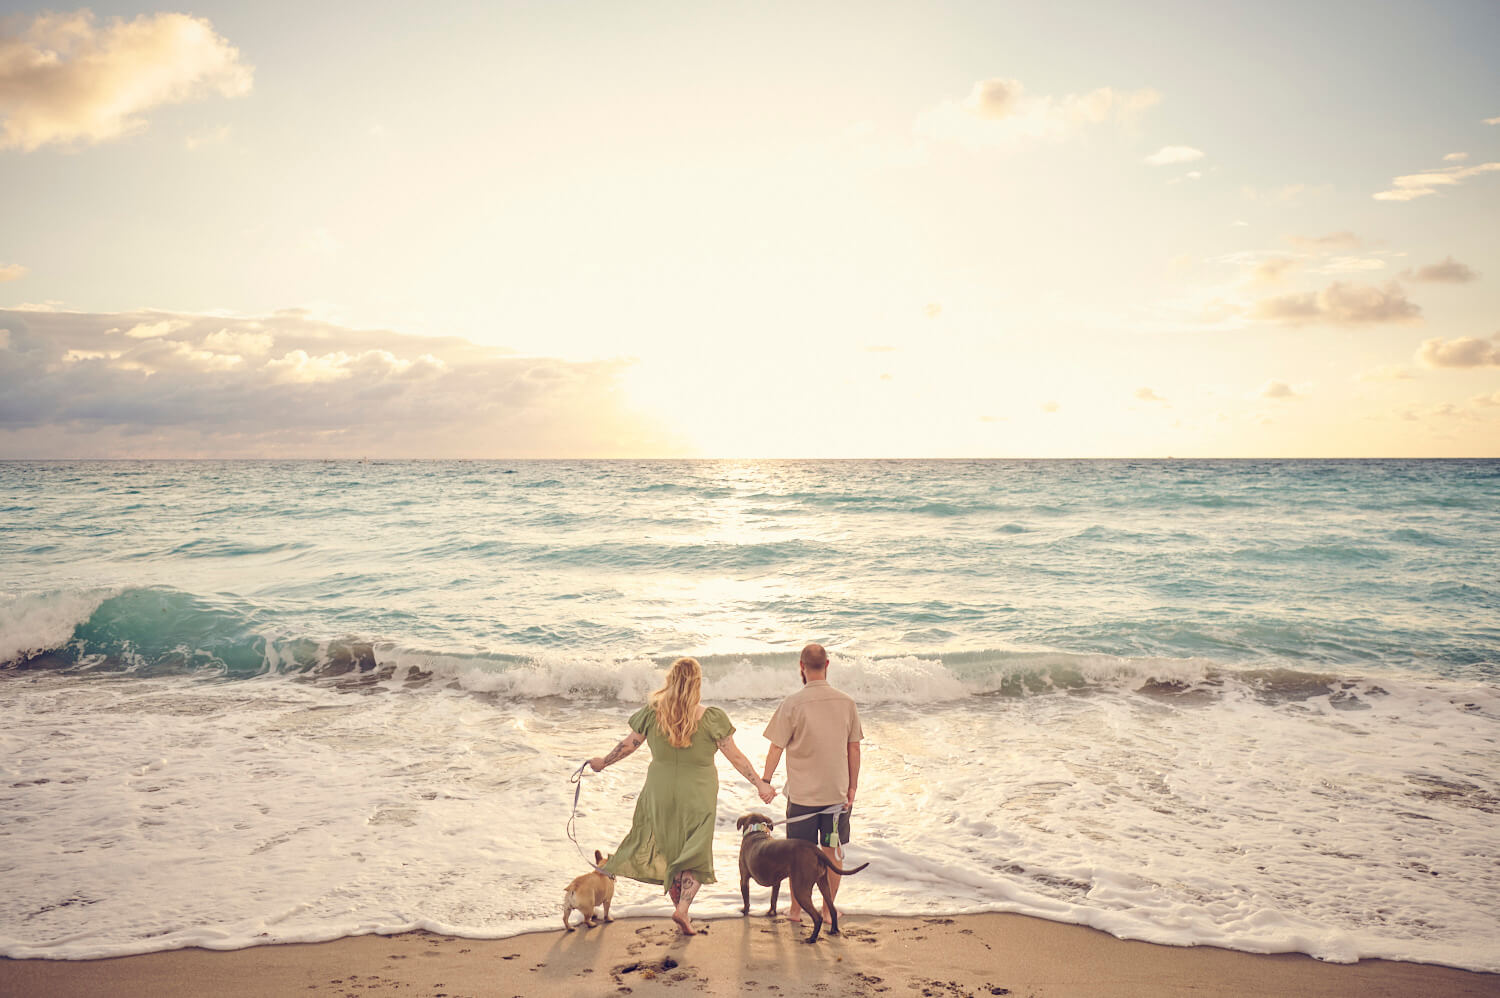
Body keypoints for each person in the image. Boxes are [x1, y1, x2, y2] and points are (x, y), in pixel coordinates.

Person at [589, 656, 775, 935]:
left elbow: (629, 745)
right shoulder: (712, 717)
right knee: (695, 854)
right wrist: (760, 784)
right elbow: (735, 757)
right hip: (698, 792)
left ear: (670, 681)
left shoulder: (653, 713)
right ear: (697, 684)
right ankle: (682, 910)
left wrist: (603, 762)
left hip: (659, 789)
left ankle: (681, 913)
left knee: (672, 850)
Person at [760, 643, 863, 923]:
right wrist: (852, 787)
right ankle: (829, 910)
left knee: (799, 857)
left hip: (803, 800)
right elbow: (854, 749)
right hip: (836, 798)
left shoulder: (792, 703)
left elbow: (775, 748)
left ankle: (796, 910)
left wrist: (766, 781)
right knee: (831, 852)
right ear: (827, 665)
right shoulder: (847, 702)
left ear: (801, 667)